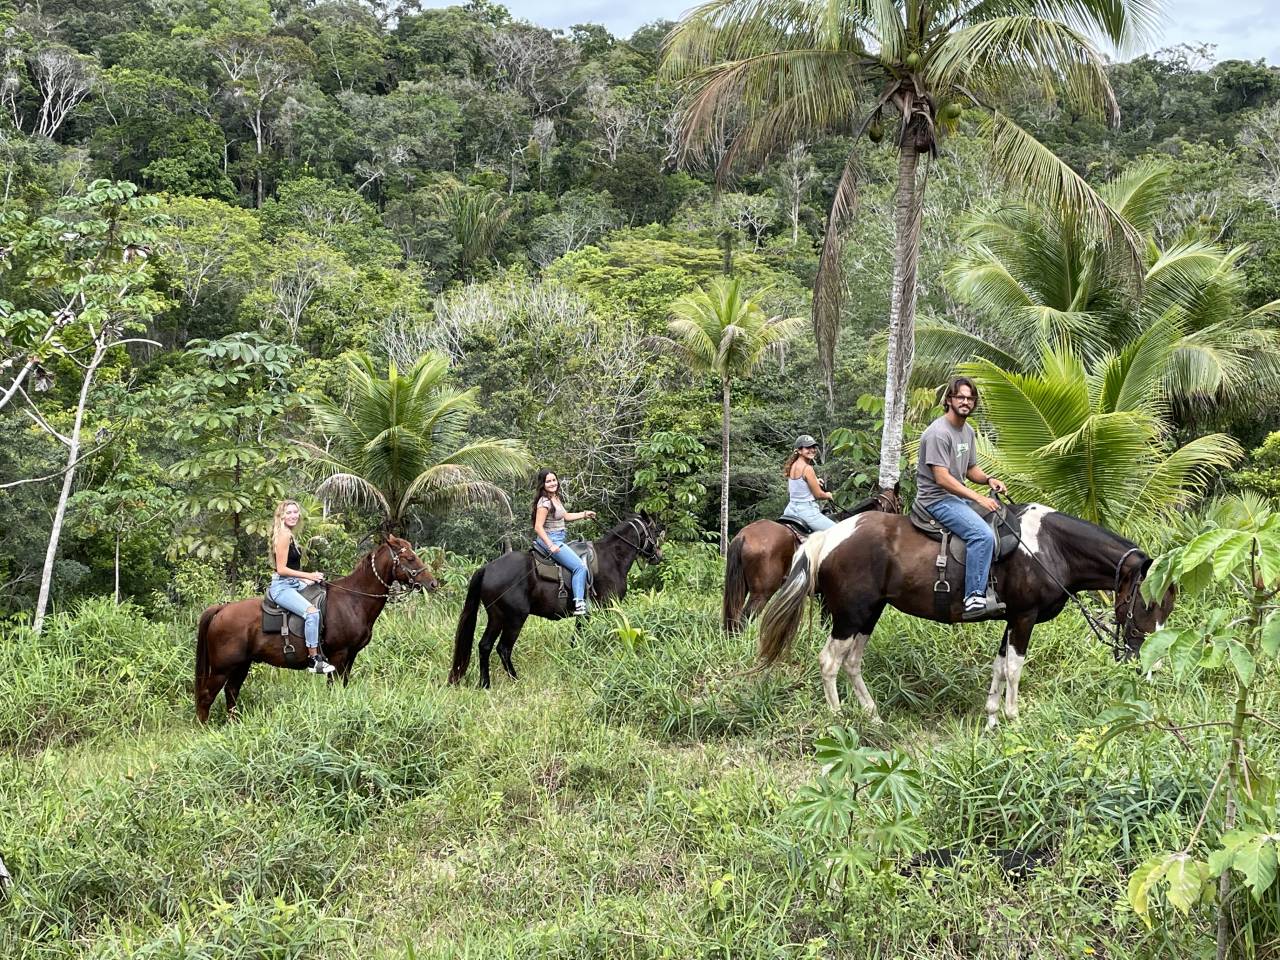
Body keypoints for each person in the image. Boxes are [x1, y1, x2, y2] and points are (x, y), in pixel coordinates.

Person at [916, 377, 1009, 620]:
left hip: (955, 498)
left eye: (970, 398)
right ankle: (973, 598)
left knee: (999, 519)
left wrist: (989, 480)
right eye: (961, 397)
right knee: (982, 534)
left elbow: (970, 469)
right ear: (949, 400)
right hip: (936, 499)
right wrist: (978, 497)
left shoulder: (967, 430)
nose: (966, 402)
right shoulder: (938, 433)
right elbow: (942, 478)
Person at [266, 499, 335, 674]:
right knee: (312, 613)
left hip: (293, 583)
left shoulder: (289, 534)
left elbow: (293, 567)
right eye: (288, 512)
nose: (293, 516)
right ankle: (314, 660)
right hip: (282, 587)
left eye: (295, 512)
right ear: (281, 516)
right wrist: (308, 575)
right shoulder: (284, 535)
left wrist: (308, 579)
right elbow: (281, 569)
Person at [531, 469, 596, 616]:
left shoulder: (555, 497)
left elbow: (565, 516)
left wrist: (585, 514)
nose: (552, 483)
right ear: (543, 484)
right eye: (548, 481)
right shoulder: (544, 502)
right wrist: (550, 545)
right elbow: (538, 527)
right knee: (580, 567)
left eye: (554, 480)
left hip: (559, 538)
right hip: (551, 539)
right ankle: (579, 604)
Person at [781, 434, 836, 532]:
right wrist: (827, 495)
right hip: (807, 512)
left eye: (813, 447)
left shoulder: (793, 465)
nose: (812, 450)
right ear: (799, 450)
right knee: (838, 531)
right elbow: (818, 495)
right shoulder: (807, 468)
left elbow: (799, 485)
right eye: (807, 447)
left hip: (791, 509)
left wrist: (815, 481)